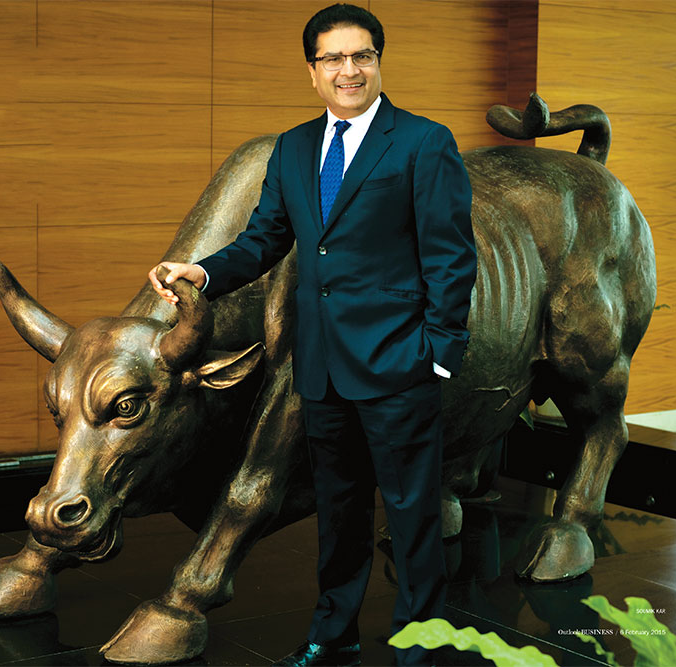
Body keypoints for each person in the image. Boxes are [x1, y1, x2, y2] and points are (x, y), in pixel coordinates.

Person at [149, 4, 475, 665]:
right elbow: (265, 238)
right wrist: (203, 272)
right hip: (321, 365)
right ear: (312, 70)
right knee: (339, 509)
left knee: (412, 515)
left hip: (400, 362)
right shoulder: (294, 147)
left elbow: (451, 256)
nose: (349, 70)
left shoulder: (423, 142)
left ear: (378, 62)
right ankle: (334, 634)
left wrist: (438, 355)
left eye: (362, 56)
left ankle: (423, 642)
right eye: (334, 58)